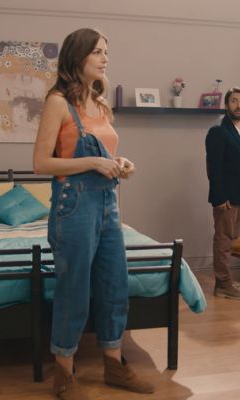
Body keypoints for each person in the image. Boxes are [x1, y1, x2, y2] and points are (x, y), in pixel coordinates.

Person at [32, 28, 154, 400]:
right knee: (74, 289)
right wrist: (94, 163)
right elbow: (41, 163)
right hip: (74, 205)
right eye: (97, 52)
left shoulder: (100, 104)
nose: (105, 59)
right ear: (78, 56)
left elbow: (105, 154)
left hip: (108, 203)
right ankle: (64, 374)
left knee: (115, 284)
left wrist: (118, 163)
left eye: (106, 52)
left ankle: (114, 365)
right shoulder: (58, 102)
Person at [205, 87, 240, 300]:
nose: (239, 105)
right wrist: (219, 197)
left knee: (230, 238)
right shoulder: (218, 132)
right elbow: (214, 167)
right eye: (234, 101)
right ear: (227, 105)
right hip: (226, 197)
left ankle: (225, 280)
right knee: (224, 240)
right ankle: (223, 284)